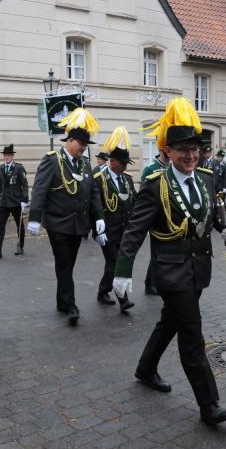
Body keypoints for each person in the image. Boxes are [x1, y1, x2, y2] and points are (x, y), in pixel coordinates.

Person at [112, 97, 226, 426]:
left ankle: (145, 368)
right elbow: (134, 230)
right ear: (167, 151)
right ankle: (209, 404)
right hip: (170, 272)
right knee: (191, 334)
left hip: (199, 269)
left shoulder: (206, 178)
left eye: (195, 149)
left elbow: (207, 212)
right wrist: (122, 271)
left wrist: (223, 227)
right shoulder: (155, 185)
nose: (191, 156)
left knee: (170, 321)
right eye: (183, 150)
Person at [27, 107, 105, 326]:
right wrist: (34, 217)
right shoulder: (52, 160)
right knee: (64, 263)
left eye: (85, 145)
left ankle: (62, 301)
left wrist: (98, 217)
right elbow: (40, 189)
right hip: (58, 223)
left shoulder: (84, 163)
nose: (83, 148)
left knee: (68, 264)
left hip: (78, 224)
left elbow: (93, 192)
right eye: (81, 144)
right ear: (70, 141)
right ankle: (70, 305)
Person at [93, 126, 136, 311]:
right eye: (122, 163)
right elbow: (94, 206)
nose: (125, 166)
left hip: (124, 231)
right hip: (107, 231)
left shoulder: (127, 179)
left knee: (114, 263)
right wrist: (96, 230)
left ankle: (103, 290)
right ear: (112, 162)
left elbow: (134, 202)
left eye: (126, 163)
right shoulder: (99, 179)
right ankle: (123, 300)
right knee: (116, 263)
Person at [140, 149, 170, 296]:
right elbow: (144, 195)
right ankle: (149, 283)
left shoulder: (174, 168)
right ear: (162, 149)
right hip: (156, 218)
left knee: (167, 253)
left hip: (171, 218)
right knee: (157, 253)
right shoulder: (151, 169)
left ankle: (161, 281)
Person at [0, 144, 28, 258]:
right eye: (5, 155)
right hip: (4, 201)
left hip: (16, 201)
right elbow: (1, 185)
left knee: (19, 225)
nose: (6, 157)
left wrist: (24, 200)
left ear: (12, 156)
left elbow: (24, 185)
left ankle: (20, 247)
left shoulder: (19, 168)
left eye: (8, 155)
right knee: (0, 226)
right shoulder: (1, 168)